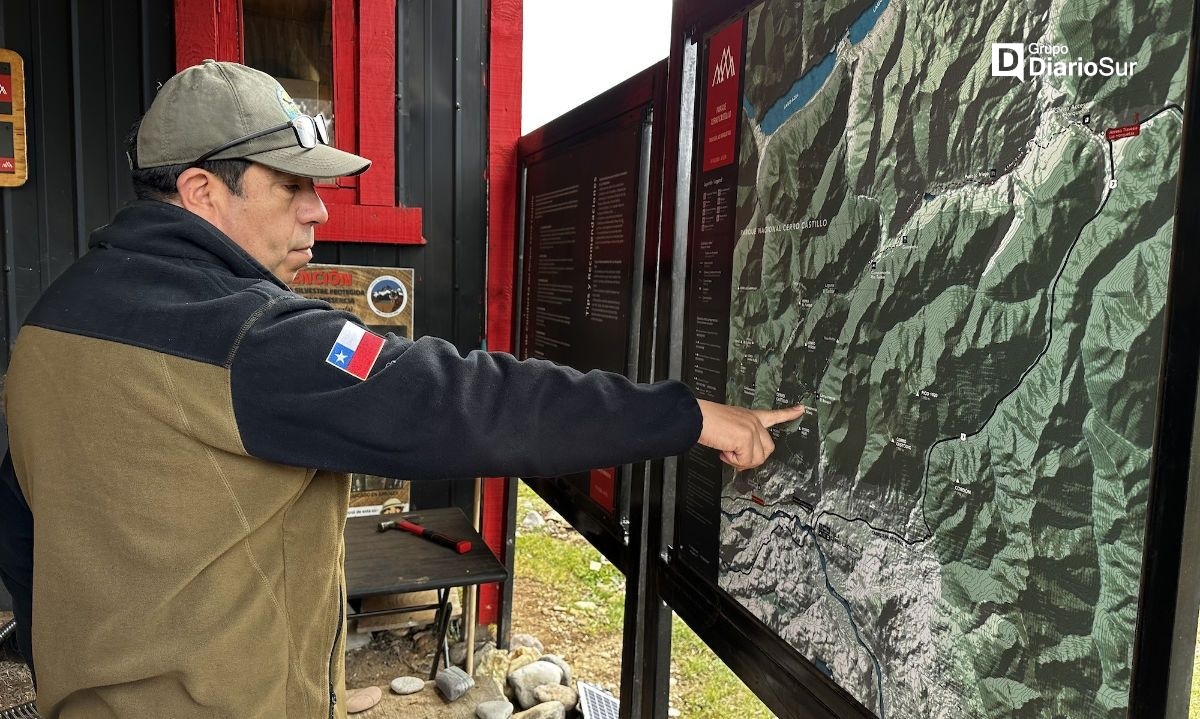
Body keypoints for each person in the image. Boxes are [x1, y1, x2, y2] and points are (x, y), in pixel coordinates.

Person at [0, 60, 803, 718]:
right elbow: (456, 397)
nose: (319, 209)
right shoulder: (249, 338)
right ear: (206, 192)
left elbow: (23, 524)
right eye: (291, 186)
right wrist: (686, 414)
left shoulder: (49, 323)